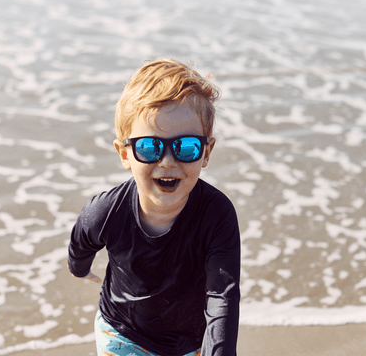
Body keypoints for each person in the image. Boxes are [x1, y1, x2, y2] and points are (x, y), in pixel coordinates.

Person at [68, 59, 241, 356]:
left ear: (206, 152)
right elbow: (81, 240)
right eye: (149, 147)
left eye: (187, 147)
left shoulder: (216, 215)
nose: (168, 161)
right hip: (121, 333)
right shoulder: (106, 211)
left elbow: (222, 298)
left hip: (190, 341)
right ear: (125, 154)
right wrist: (80, 269)